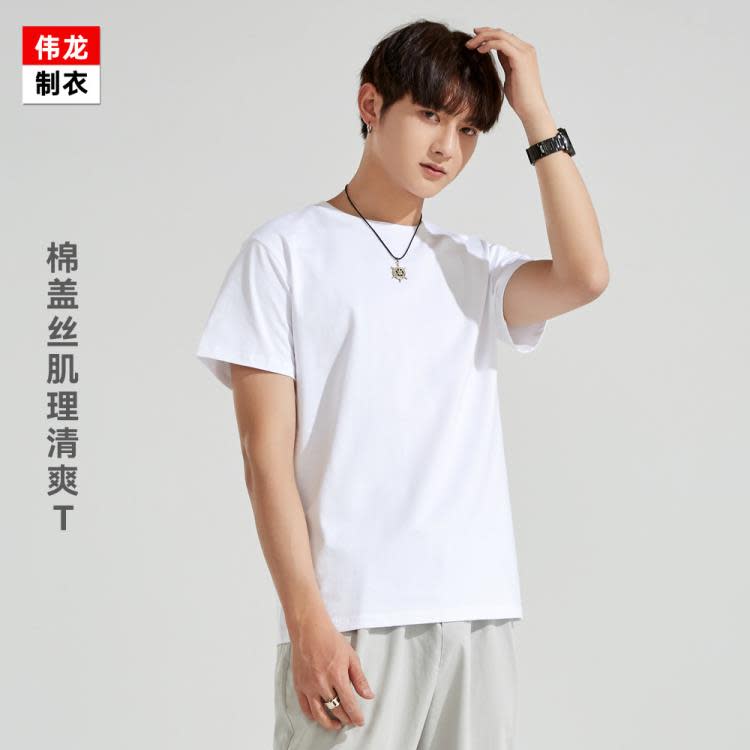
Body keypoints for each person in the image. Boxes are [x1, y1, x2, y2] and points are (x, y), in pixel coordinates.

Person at [196, 18, 607, 750]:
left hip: (476, 615)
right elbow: (264, 459)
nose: (447, 146)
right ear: (371, 105)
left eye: (469, 129)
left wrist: (536, 115)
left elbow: (585, 276)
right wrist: (307, 621)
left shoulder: (473, 267)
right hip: (352, 619)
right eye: (429, 115)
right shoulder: (284, 253)